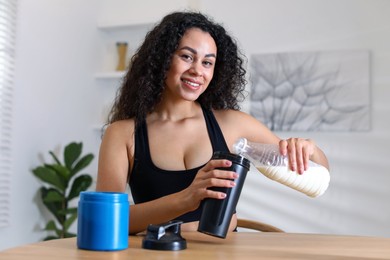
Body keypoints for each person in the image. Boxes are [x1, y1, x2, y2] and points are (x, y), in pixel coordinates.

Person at [96, 11, 329, 235]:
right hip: (156, 253)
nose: (198, 70)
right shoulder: (122, 134)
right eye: (186, 56)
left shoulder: (232, 124)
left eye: (207, 62)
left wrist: (309, 149)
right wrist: (185, 199)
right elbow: (106, 219)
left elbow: (319, 174)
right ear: (162, 59)